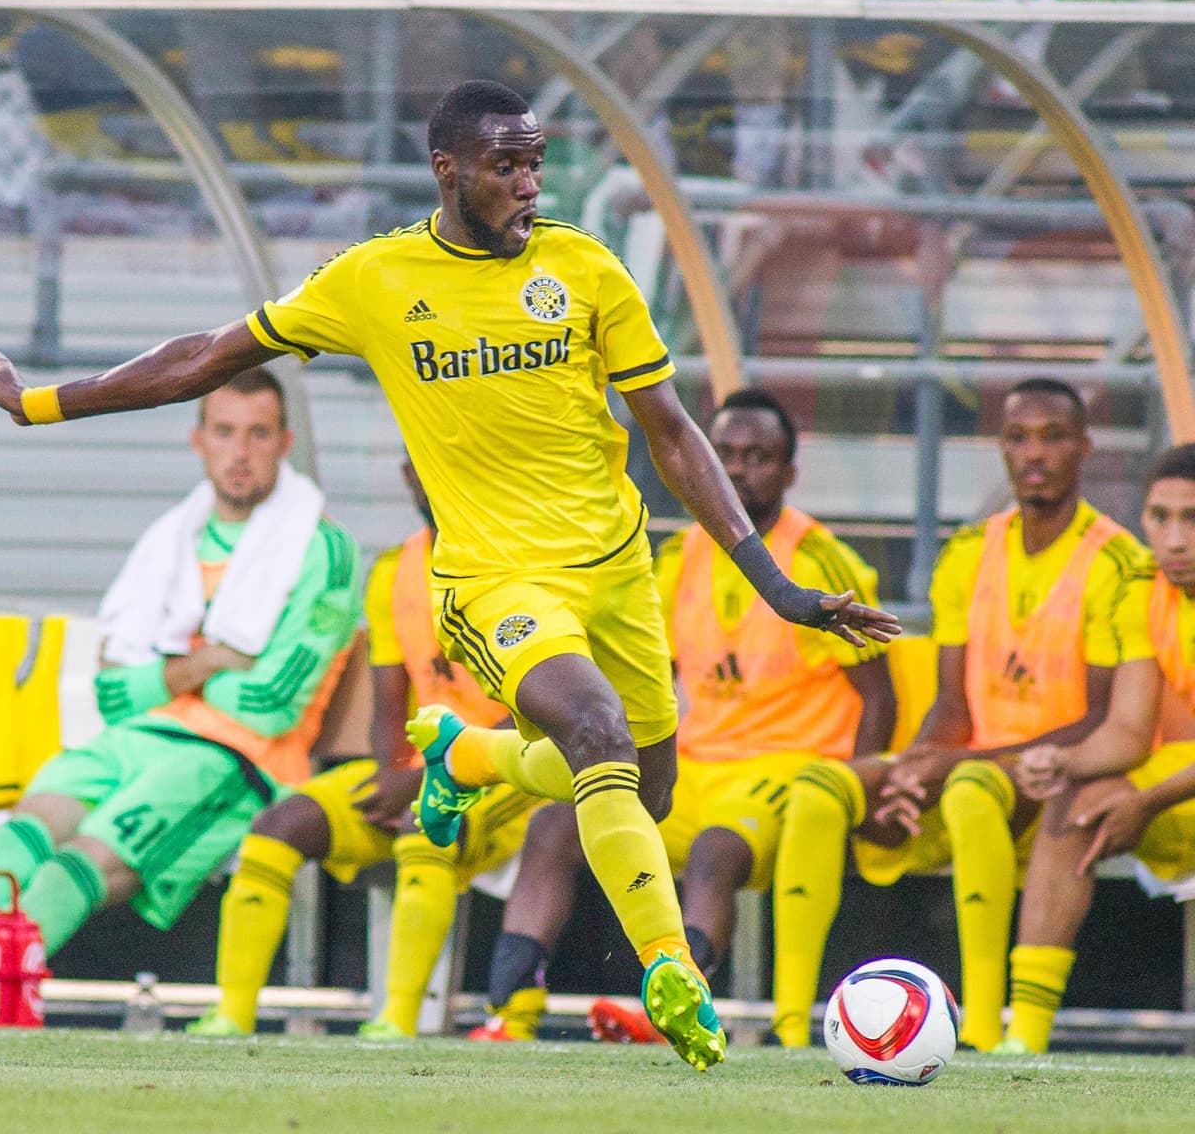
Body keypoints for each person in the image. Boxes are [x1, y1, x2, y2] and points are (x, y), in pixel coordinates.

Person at [0, 79, 898, 1070]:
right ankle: (671, 972)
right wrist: (45, 402)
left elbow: (670, 432)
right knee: (594, 730)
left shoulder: (584, 268)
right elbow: (207, 354)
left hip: (615, 570)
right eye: (505, 166)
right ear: (447, 171)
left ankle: (473, 759)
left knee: (643, 787)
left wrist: (771, 581)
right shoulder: (373, 279)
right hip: (493, 580)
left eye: (535, 162)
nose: (528, 184)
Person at [468, 387, 896, 1043]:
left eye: (759, 455)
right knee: (560, 821)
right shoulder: (674, 559)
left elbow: (879, 695)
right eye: (725, 453)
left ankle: (674, 1002)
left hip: (783, 773)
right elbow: (642, 682)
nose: (740, 467)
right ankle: (512, 1015)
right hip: (695, 766)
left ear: (788, 470)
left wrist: (855, 792)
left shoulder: (817, 556)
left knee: (714, 851)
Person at [0, 369, 362, 957]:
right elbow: (111, 694)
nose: (240, 453)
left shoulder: (321, 548)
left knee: (74, 865)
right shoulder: (170, 541)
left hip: (237, 758)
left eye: (258, 435)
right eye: (225, 432)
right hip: (133, 738)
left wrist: (166, 675)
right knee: (23, 832)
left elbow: (270, 707)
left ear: (284, 445)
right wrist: (209, 662)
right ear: (198, 440)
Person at [771, 378, 1143, 1051]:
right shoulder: (968, 552)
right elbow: (951, 704)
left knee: (970, 790)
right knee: (818, 790)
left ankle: (981, 1030)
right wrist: (914, 768)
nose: (1035, 454)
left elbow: (1099, 719)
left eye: (1054, 437)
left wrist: (954, 765)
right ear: (1000, 447)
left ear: (1084, 448)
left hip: (1049, 772)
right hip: (968, 762)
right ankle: (787, 1029)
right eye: (1019, 437)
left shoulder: (1118, 561)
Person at [189, 458, 539, 1038]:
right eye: (428, 462)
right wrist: (394, 774)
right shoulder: (393, 572)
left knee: (426, 826)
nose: (440, 474)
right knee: (280, 823)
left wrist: (430, 779)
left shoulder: (524, 563)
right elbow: (388, 702)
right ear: (408, 474)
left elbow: (534, 710)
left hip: (508, 773)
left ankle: (398, 1023)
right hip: (423, 769)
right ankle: (231, 1016)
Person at [998, 444, 1195, 1054]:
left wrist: (1150, 801)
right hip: (1180, 779)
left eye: (1192, 518)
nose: (1175, 539)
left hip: (1177, 786)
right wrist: (1062, 763)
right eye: (1160, 517)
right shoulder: (1140, 588)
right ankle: (1022, 1037)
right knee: (1080, 802)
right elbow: (1130, 732)